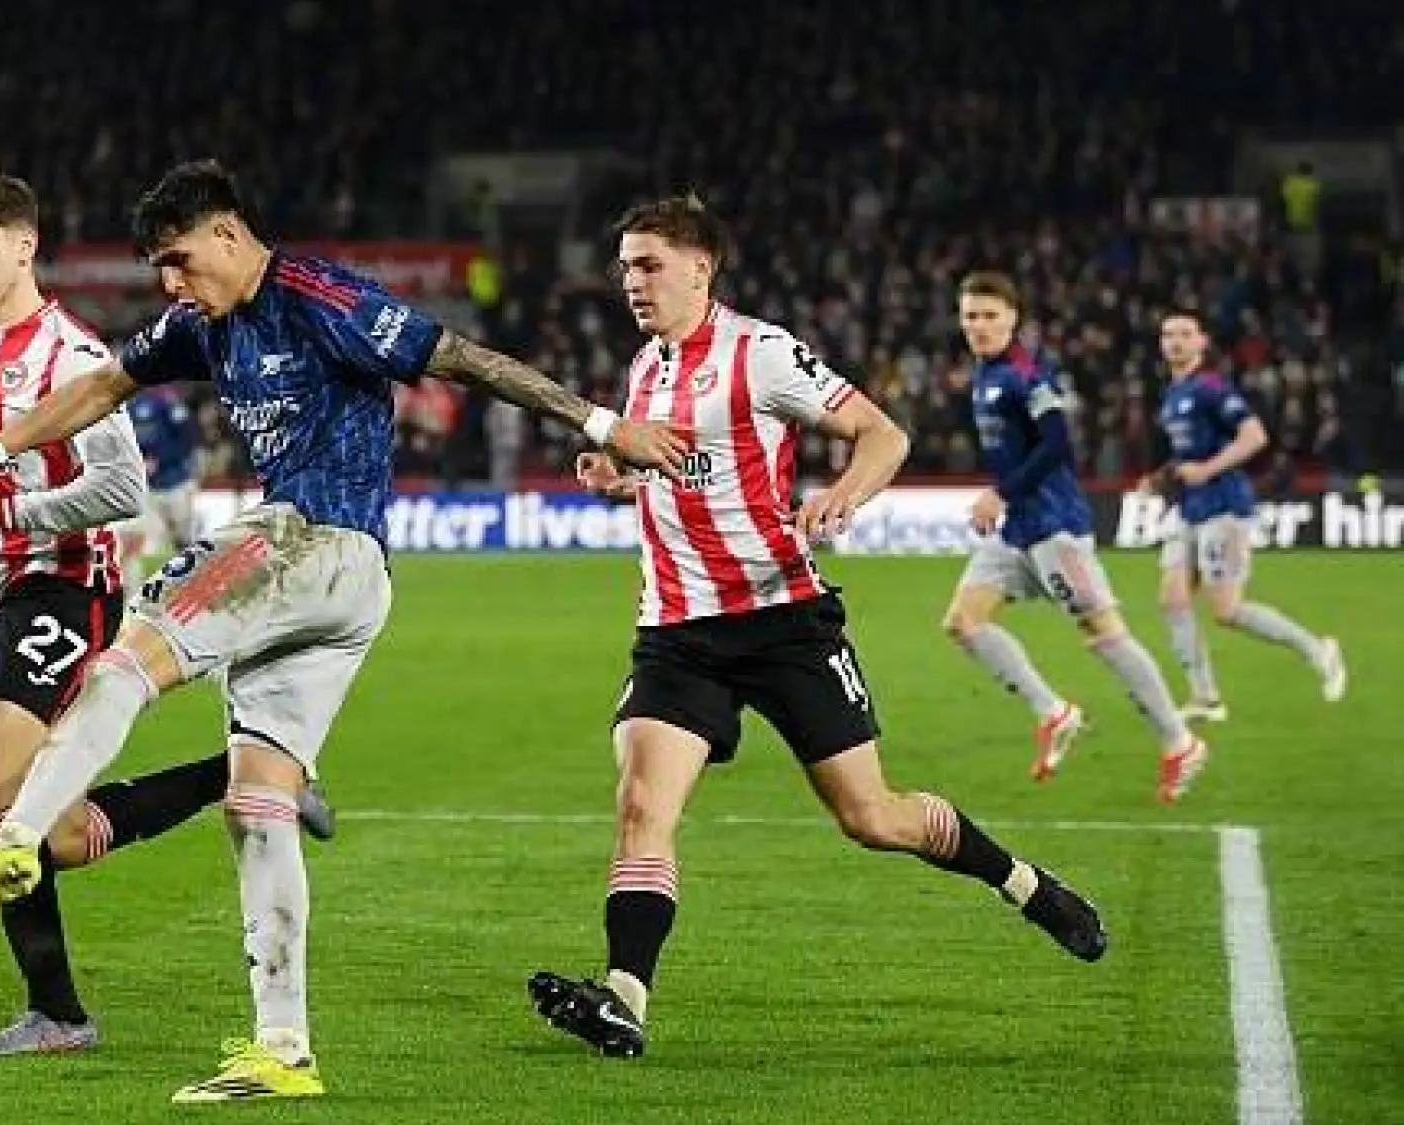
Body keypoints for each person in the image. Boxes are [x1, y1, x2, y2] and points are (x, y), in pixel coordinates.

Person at [0, 159, 688, 1102]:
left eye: (182, 263)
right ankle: (283, 1050)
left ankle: (10, 844)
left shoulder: (318, 296)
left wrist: (602, 422)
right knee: (258, 801)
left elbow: (463, 358)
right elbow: (106, 384)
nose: (172, 287)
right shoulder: (205, 322)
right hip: (344, 591)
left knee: (125, 662)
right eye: (161, 270)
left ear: (229, 235)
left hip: (307, 538)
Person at [526, 197, 1107, 1060]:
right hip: (678, 630)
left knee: (872, 816)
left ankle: (1021, 881)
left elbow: (883, 433)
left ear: (699, 267)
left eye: (647, 265)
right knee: (643, 803)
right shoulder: (645, 370)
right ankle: (623, 997)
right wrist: (620, 478)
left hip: (783, 621)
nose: (630, 283)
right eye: (623, 268)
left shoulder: (759, 352)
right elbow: (685, 475)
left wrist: (843, 493)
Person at [0, 173, 331, 1058]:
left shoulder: (71, 359)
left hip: (67, 589)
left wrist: (8, 514)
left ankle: (59, 1014)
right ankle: (248, 775)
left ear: (23, 246)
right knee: (64, 830)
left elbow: (122, 489)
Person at [940, 271, 1208, 802]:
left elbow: (1058, 442)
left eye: (990, 316)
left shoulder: (1025, 374)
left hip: (1055, 525)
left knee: (1103, 633)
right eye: (971, 316)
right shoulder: (985, 373)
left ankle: (1179, 741)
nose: (979, 326)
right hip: (1017, 527)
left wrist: (1001, 492)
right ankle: (1053, 712)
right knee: (963, 621)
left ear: (1013, 318)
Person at [1145, 309, 1346, 721]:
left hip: (1225, 509)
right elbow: (1189, 455)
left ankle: (1317, 649)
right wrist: (1162, 477)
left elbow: (1254, 437)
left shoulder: (1213, 388)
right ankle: (1205, 698)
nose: (1175, 342)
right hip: (1190, 510)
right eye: (1168, 335)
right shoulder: (1171, 396)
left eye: (1185, 334)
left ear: (1202, 342)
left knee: (1226, 611)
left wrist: (1206, 470)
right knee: (1172, 598)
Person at [122, 384, 201, 584]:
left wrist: (160, 459)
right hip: (146, 488)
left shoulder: (166, 400)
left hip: (176, 482)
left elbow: (189, 436)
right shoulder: (128, 407)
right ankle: (147, 590)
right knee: (148, 541)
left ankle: (194, 583)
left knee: (184, 538)